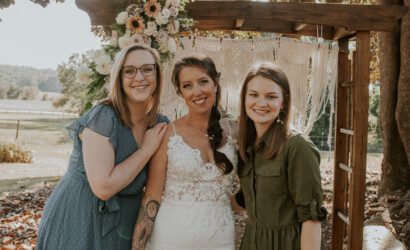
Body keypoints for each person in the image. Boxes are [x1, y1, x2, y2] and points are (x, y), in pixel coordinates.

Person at [36, 44, 169, 250]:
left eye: (147, 69)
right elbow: (103, 187)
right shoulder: (104, 117)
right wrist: (145, 150)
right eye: (129, 71)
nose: (139, 77)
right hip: (81, 214)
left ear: (158, 74)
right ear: (119, 78)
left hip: (127, 219)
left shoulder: (159, 123)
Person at [132, 55, 238, 250]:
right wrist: (137, 247)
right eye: (187, 86)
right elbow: (152, 196)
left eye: (203, 82)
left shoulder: (234, 132)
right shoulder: (168, 134)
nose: (196, 91)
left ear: (216, 84)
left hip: (222, 241)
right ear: (180, 92)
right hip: (170, 241)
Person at [237, 62, 327, 250]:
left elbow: (312, 219)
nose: (261, 103)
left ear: (283, 102)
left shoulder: (297, 146)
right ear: (244, 98)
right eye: (253, 95)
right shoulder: (247, 145)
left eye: (271, 96)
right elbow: (246, 200)